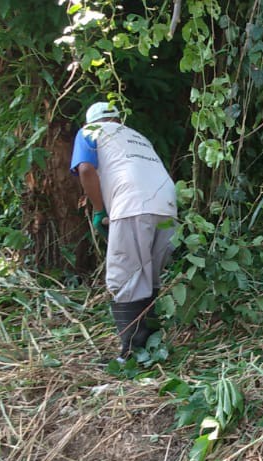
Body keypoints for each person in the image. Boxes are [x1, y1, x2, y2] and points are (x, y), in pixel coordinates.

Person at [70, 100, 178, 361]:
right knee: (149, 276)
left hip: (133, 205)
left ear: (90, 122)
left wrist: (99, 210)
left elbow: (86, 169)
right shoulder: (136, 136)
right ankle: (151, 347)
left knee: (126, 279)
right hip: (167, 206)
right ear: (118, 120)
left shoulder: (89, 132)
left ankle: (132, 356)